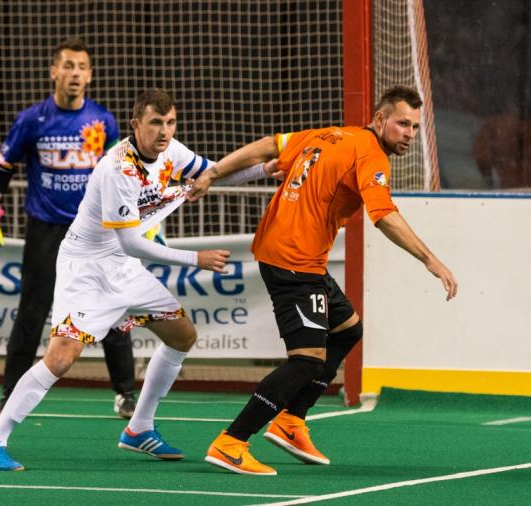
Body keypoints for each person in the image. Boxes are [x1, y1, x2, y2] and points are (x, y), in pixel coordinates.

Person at [0, 87, 275, 471]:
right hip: (85, 266)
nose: (164, 131)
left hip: (122, 266)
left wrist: (262, 171)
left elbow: (211, 174)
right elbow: (133, 242)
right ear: (136, 125)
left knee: (182, 335)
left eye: (170, 123)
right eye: (155, 123)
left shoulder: (172, 151)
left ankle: (139, 429)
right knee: (62, 357)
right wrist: (194, 258)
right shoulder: (118, 168)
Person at [188, 85, 459, 476]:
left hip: (294, 256)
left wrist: (214, 171)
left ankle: (291, 421)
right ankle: (232, 442)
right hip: (294, 260)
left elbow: (268, 145)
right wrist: (430, 260)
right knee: (305, 362)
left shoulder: (329, 134)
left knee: (347, 330)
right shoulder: (370, 153)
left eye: (415, 127)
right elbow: (382, 214)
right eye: (402, 123)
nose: (409, 134)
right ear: (379, 119)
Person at [0, 37, 137, 419]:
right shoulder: (32, 119)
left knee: (113, 309)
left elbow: (120, 173)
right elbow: (4, 167)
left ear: (90, 75)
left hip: (95, 232)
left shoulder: (103, 120)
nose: (74, 73)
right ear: (54, 72)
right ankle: (9, 393)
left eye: (81, 67)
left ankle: (125, 394)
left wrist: (138, 222)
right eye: (67, 65)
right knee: (32, 312)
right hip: (45, 229)